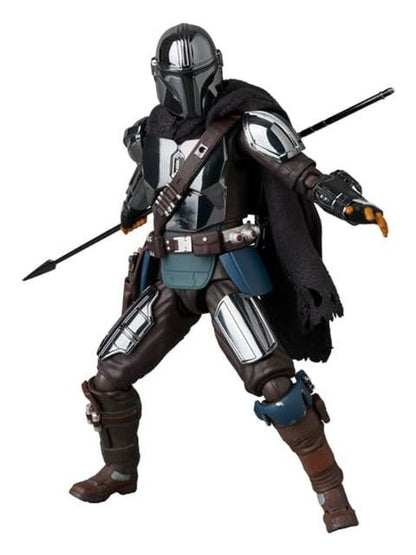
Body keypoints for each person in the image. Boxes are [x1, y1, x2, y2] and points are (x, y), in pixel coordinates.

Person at [69, 23, 388, 533]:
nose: (186, 87)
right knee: (108, 377)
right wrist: (133, 209)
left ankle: (332, 493)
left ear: (215, 67)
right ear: (159, 77)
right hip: (171, 273)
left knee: (278, 389)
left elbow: (300, 173)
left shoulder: (245, 123)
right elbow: (146, 184)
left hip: (226, 270)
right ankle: (120, 471)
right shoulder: (148, 132)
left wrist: (347, 203)